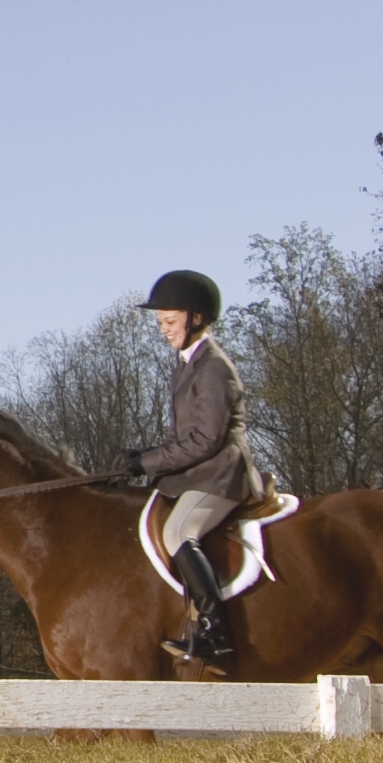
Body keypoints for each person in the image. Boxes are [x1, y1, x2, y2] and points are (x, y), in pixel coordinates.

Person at [119, 268, 267, 672]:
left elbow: (206, 440)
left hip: (222, 473)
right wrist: (142, 458)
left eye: (169, 322)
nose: (163, 330)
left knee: (179, 531)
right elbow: (179, 436)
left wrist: (148, 462)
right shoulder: (187, 365)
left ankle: (214, 632)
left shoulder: (214, 368)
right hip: (199, 471)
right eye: (160, 323)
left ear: (196, 318)